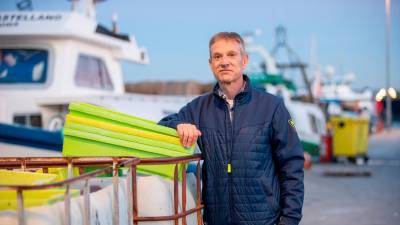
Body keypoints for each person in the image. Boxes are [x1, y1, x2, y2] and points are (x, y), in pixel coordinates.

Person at [159, 32, 304, 225]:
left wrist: (290, 220)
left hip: (265, 221)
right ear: (211, 64)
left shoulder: (272, 107)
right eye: (217, 56)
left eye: (231, 55)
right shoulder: (198, 108)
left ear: (244, 60)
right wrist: (178, 125)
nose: (224, 62)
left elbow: (292, 167)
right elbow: (162, 125)